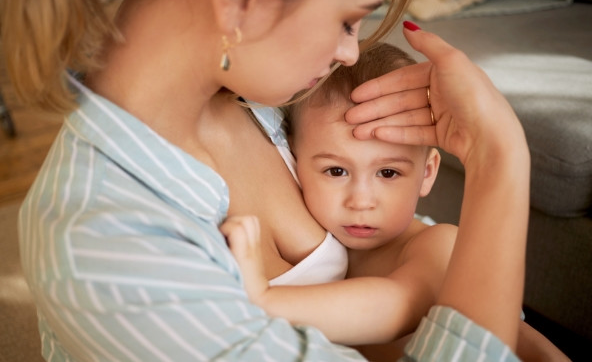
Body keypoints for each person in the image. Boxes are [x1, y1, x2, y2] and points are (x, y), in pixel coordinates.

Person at [0, 0, 539, 360]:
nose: (350, 52)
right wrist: (500, 159)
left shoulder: (266, 106)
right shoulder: (105, 247)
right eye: (348, 18)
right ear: (242, 0)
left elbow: (407, 263)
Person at [223, 42, 569, 361]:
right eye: (336, 171)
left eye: (388, 174)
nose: (361, 200)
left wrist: (263, 300)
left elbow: (393, 310)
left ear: (427, 173)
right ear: (294, 161)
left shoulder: (439, 245)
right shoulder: (330, 246)